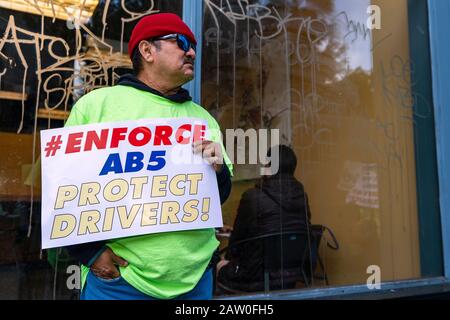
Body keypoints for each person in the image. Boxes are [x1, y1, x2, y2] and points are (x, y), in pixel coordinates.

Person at [63, 13, 233, 300]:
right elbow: (64, 189)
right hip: (120, 283)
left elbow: (219, 197)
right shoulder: (97, 106)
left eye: (193, 45)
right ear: (146, 50)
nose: (191, 51)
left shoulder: (202, 119)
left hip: (194, 279)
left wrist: (217, 170)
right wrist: (90, 253)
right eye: (181, 42)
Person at [216, 145, 312, 293]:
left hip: (255, 275)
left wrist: (228, 260)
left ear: (269, 166)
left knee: (216, 266)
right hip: (291, 275)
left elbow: (237, 243)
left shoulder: (253, 197)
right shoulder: (302, 196)